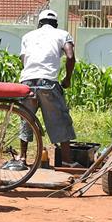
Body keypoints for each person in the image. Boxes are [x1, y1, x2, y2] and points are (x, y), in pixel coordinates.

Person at [17, 9, 77, 167]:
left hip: (27, 83)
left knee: (26, 120)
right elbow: (70, 57)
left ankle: (22, 158)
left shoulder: (27, 36)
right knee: (61, 120)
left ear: (39, 23)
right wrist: (67, 79)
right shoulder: (62, 34)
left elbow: (24, 60)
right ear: (55, 24)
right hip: (48, 82)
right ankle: (66, 161)